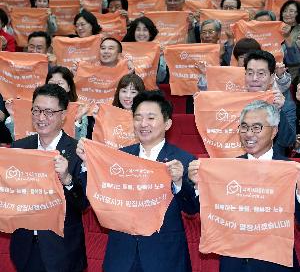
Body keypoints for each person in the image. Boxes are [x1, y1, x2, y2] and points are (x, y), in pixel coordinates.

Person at [76, 90, 197, 272]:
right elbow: (96, 196)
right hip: (122, 254)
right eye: (138, 117)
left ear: (167, 123)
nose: (143, 124)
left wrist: (179, 182)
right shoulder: (119, 156)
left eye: (150, 118)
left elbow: (192, 208)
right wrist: (87, 164)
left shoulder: (183, 160)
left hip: (164, 255)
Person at [188, 100, 300, 271]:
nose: (249, 134)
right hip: (233, 263)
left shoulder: (290, 171)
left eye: (256, 128)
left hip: (276, 263)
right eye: (244, 127)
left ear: (274, 131)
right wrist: (198, 186)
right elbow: (203, 212)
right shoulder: (227, 170)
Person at [10, 84, 87, 272]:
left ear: (63, 115)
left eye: (49, 112)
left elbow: (84, 203)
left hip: (63, 250)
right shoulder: (19, 148)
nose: (41, 117)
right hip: (25, 246)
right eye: (36, 110)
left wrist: (67, 178)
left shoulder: (78, 151)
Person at [5, 66, 88, 140]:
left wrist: (77, 119)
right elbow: (20, 139)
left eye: (60, 83)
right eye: (51, 83)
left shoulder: (78, 110)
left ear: (69, 87)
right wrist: (13, 116)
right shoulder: (34, 108)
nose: (55, 87)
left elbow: (78, 144)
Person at [244, 50, 296, 155]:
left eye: (261, 74)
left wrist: (277, 110)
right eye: (250, 73)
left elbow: (288, 141)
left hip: (270, 167)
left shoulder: (284, 104)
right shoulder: (233, 101)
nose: (254, 78)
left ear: (272, 78)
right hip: (237, 165)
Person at [280, 0, 300, 80]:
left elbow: (295, 57)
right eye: (284, 11)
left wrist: (287, 37)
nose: (287, 14)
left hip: (294, 73)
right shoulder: (277, 28)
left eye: (291, 11)